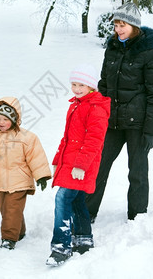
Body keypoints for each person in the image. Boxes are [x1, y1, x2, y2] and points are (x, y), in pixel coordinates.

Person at [86, 3, 153, 223]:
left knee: (137, 171)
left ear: (134, 26)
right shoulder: (111, 48)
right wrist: (98, 115)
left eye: (123, 25)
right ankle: (87, 212)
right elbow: (103, 85)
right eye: (116, 25)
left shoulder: (148, 53)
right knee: (99, 166)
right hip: (112, 121)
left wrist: (151, 131)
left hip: (138, 123)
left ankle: (137, 216)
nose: (119, 29)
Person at [46, 64, 110, 266]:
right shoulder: (75, 104)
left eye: (82, 84)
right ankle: (83, 239)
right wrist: (58, 160)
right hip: (70, 163)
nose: (77, 88)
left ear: (91, 86)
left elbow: (94, 140)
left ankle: (61, 247)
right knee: (76, 200)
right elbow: (67, 138)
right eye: (74, 84)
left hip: (82, 164)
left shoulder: (96, 108)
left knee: (62, 199)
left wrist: (81, 165)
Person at [0, 96, 51, 250]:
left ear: (15, 119)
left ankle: (8, 239)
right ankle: (19, 232)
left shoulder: (26, 138)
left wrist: (41, 176)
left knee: (11, 210)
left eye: (5, 119)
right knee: (7, 210)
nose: (1, 122)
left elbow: (36, 157)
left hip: (19, 182)